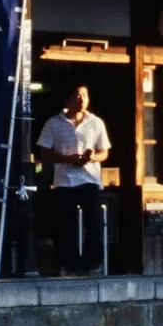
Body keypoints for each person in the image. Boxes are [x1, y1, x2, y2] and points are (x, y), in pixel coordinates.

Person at [35, 84, 112, 275]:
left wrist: (91, 157)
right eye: (77, 96)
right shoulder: (53, 123)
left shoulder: (96, 122)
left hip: (89, 178)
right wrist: (68, 159)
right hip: (64, 180)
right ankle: (71, 265)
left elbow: (104, 152)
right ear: (67, 100)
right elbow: (45, 153)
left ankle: (92, 264)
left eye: (85, 95)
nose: (82, 99)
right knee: (65, 226)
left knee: (94, 223)